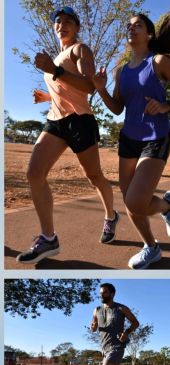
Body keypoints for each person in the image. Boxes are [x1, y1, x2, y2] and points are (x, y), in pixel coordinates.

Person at [92, 7, 170, 269]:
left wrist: (167, 105)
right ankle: (151, 247)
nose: (131, 28)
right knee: (130, 204)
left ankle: (167, 208)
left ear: (148, 34)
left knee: (136, 200)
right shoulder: (121, 71)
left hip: (155, 136)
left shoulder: (158, 61)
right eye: (129, 25)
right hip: (128, 138)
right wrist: (101, 89)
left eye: (137, 25)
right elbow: (116, 108)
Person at [17, 6, 118, 265]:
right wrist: (47, 96)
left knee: (94, 176)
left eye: (68, 22)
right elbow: (66, 90)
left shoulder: (80, 50)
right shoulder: (57, 56)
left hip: (80, 121)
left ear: (77, 28)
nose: (62, 25)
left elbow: (87, 87)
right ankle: (48, 237)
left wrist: (54, 70)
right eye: (58, 22)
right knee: (34, 173)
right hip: (55, 122)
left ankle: (110, 216)